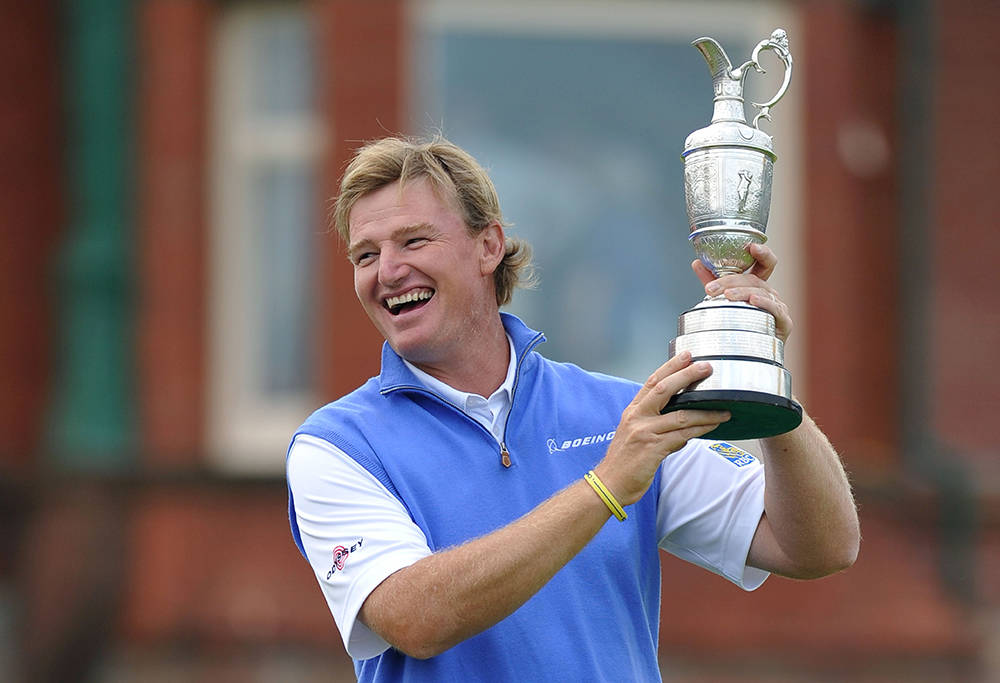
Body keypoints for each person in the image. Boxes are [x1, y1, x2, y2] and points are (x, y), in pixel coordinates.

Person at [286, 135, 859, 682]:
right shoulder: (336, 445)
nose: (387, 271)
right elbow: (414, 618)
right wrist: (606, 486)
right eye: (366, 254)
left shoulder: (620, 414)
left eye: (413, 242)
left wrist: (760, 377)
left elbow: (819, 547)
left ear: (488, 246)